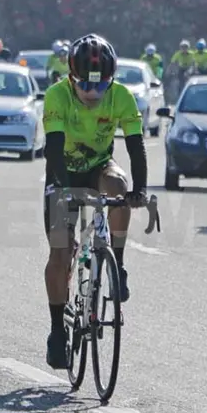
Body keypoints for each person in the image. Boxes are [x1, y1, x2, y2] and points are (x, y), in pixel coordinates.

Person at [41, 34, 147, 369]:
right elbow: (54, 147)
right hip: (63, 172)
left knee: (118, 185)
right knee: (60, 253)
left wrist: (139, 190)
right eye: (85, 86)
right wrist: (61, 186)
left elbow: (135, 146)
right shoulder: (57, 95)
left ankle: (117, 262)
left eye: (100, 87)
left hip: (99, 167)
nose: (92, 94)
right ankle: (58, 329)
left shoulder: (122, 97)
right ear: (71, 78)